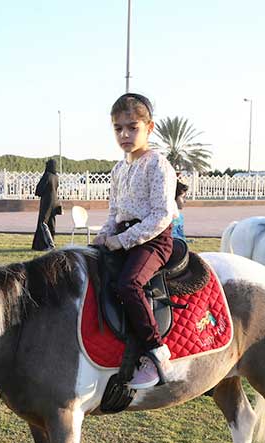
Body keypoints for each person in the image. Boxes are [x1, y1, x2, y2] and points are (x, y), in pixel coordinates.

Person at [93, 93, 178, 389]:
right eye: (118, 128)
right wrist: (104, 236)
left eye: (132, 127)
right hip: (124, 235)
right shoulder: (118, 170)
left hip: (153, 240)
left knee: (129, 283)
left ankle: (156, 352)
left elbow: (162, 215)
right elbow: (115, 213)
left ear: (149, 127)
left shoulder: (158, 165)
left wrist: (122, 241)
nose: (125, 134)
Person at [31, 158, 60, 250]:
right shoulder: (56, 177)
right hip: (55, 202)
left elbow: (39, 190)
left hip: (47, 202)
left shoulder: (47, 175)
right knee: (51, 223)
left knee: (43, 223)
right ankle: (51, 242)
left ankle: (42, 244)